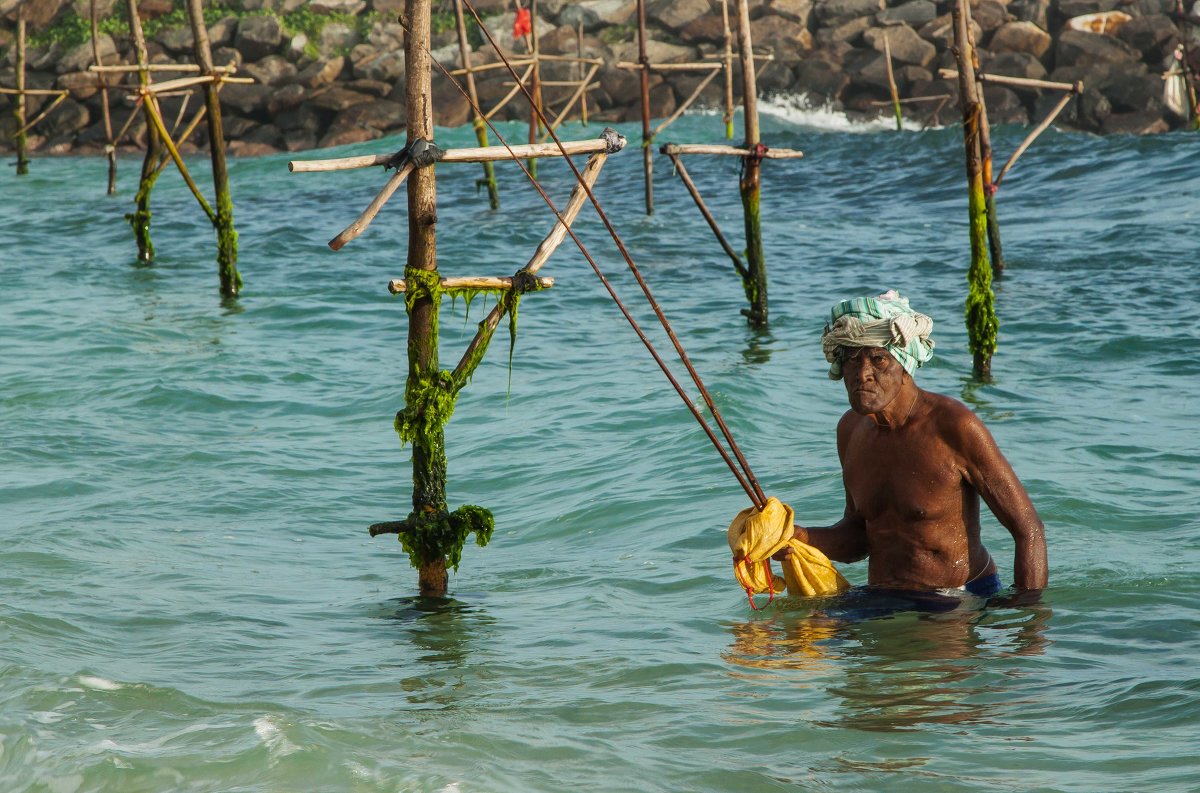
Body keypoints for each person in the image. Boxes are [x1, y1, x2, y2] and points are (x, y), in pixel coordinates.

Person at [782, 291, 1047, 599]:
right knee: (783, 638)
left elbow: (1028, 529)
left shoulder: (954, 426)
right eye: (852, 360)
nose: (863, 374)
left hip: (956, 597)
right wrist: (797, 537)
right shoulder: (851, 429)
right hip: (883, 595)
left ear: (905, 364)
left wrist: (1027, 621)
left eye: (878, 359)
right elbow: (859, 537)